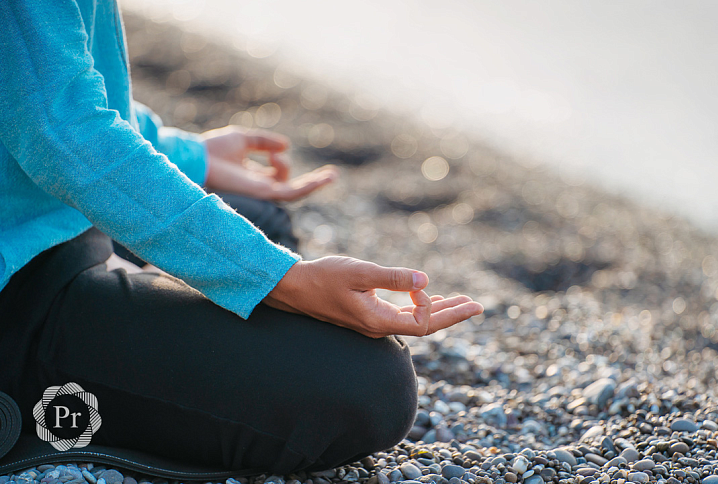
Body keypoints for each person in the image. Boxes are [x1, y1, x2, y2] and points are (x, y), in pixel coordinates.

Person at [0, 0, 483, 474]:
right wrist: (279, 278)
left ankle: (127, 290)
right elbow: (59, 127)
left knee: (261, 219)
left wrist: (190, 155)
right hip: (17, 281)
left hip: (47, 217)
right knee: (369, 391)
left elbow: (51, 74)